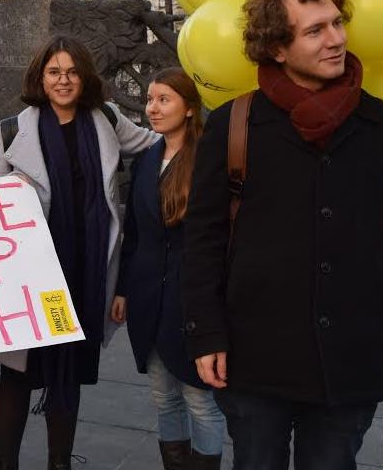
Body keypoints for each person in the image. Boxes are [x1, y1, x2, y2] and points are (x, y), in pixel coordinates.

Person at [181, 0, 383, 470]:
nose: (336, 39)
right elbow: (203, 240)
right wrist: (205, 332)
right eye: (315, 30)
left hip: (351, 356)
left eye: (337, 23)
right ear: (276, 47)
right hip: (254, 357)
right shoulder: (233, 125)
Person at [0, 35, 158, 470]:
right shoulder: (11, 130)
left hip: (83, 274)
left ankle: (59, 463)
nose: (64, 80)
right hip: (29, 278)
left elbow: (159, 144)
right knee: (17, 373)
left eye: (73, 72)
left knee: (70, 370)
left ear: (85, 77)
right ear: (40, 78)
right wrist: (10, 190)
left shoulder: (107, 119)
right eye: (54, 72)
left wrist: (204, 136)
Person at [112, 68, 225, 469]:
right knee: (164, 398)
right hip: (148, 298)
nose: (152, 109)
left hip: (192, 300)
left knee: (200, 401)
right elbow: (134, 234)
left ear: (189, 108)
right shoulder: (145, 160)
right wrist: (123, 289)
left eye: (164, 100)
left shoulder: (210, 160)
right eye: (150, 99)